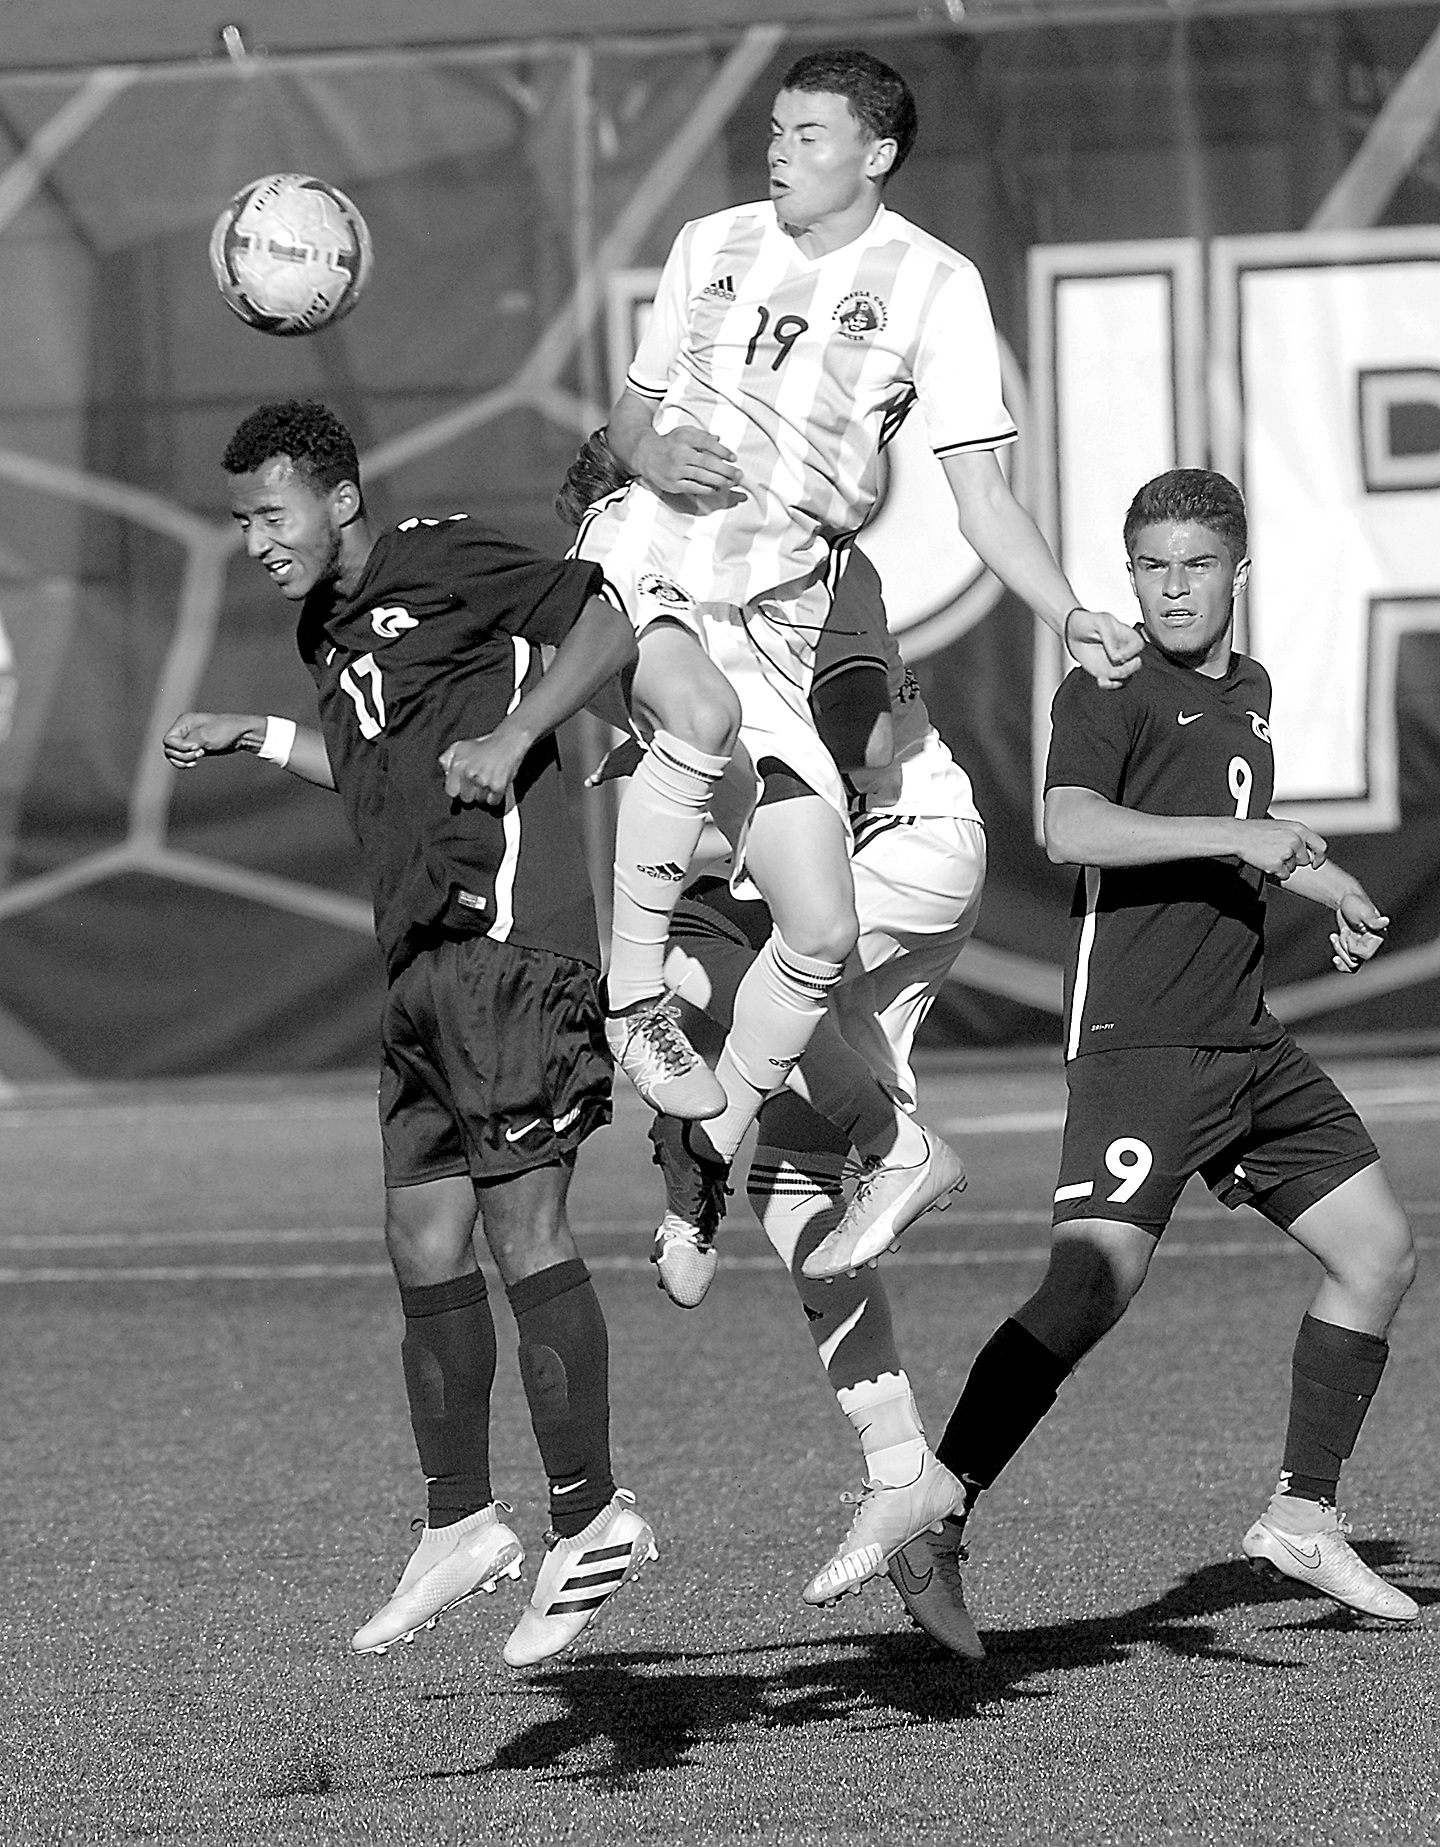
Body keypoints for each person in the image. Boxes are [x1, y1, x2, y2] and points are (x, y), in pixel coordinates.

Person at [574, 48, 1143, 1279]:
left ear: (877, 152)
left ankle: (878, 1147)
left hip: (772, 624)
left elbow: (982, 499)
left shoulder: (936, 285)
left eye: (808, 134)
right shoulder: (708, 244)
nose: (778, 152)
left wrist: (1067, 613)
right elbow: (627, 423)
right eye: (775, 131)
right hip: (651, 563)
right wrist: (652, 452)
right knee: (695, 717)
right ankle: (633, 1004)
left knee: (821, 928)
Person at [163, 399, 659, 1670]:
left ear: (340, 499)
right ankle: (459, 1521)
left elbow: (608, 621)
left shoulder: (439, 553)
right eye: (241, 522)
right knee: (420, 1235)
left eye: (271, 514)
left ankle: (591, 1515)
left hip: (509, 944)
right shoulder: (322, 629)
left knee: (521, 1226)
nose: (256, 541)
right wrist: (256, 733)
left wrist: (517, 731)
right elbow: (374, 765)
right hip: (420, 968)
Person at [897, 467, 1419, 1632]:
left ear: (1241, 570)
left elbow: (1239, 841)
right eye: (1151, 566)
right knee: (1091, 1285)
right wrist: (1245, 833)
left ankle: (1303, 1513)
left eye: (1196, 565)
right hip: (1140, 1039)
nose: (1173, 589)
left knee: (1379, 1250)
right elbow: (1069, 825)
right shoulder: (1108, 680)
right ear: (1129, 574)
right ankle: (935, 1514)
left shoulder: (1252, 687)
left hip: (1243, 1037)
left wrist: (1328, 881)